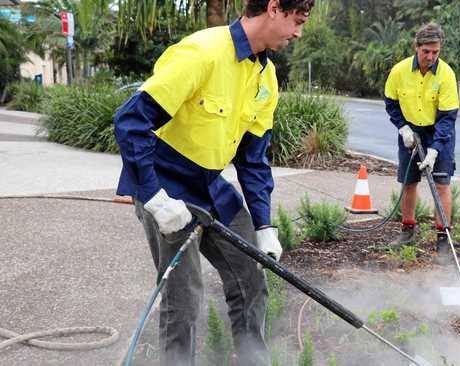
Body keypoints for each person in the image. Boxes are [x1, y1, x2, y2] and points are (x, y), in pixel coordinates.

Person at [113, 1, 313, 365]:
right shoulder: (202, 53)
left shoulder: (265, 78)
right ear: (273, 8)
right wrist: (154, 198)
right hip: (166, 182)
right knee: (184, 295)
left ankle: (254, 360)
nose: (298, 32)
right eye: (296, 21)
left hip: (210, 185)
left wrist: (265, 225)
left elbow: (252, 161)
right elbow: (130, 121)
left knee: (250, 278)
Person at [384, 23, 460, 252]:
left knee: (442, 184)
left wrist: (435, 150)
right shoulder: (399, 71)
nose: (430, 56)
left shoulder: (446, 74)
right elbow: (391, 103)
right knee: (409, 182)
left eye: (435, 52)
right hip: (411, 133)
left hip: (438, 133)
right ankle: (407, 232)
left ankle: (443, 239)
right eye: (426, 51)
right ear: (416, 47)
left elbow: (447, 117)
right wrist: (403, 129)